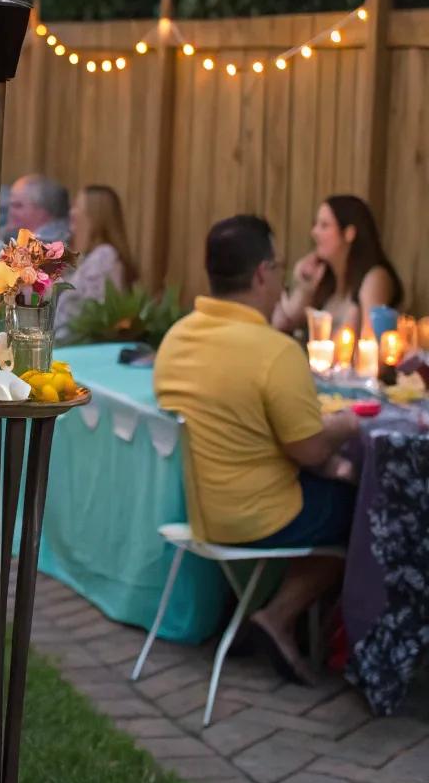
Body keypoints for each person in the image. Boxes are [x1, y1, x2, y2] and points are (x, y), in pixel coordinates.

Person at [155, 213, 360, 686]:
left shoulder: (178, 338)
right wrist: (344, 426)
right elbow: (307, 450)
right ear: (262, 273)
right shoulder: (274, 352)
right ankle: (279, 616)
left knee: (333, 480)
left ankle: (260, 616)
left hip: (202, 514)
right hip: (261, 517)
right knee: (363, 510)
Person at [274, 194, 403, 336]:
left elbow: (371, 343)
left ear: (349, 233)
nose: (314, 232)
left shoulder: (375, 277)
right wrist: (305, 288)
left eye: (324, 225)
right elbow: (283, 323)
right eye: (315, 225)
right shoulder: (324, 277)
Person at [56, 184, 136, 343]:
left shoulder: (104, 257)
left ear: (94, 215)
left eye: (77, 207)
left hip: (78, 349)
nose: (72, 213)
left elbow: (92, 314)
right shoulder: (93, 256)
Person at [3, 173, 70, 244]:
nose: (11, 211)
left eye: (18, 206)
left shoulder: (50, 248)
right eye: (10, 205)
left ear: (43, 211)